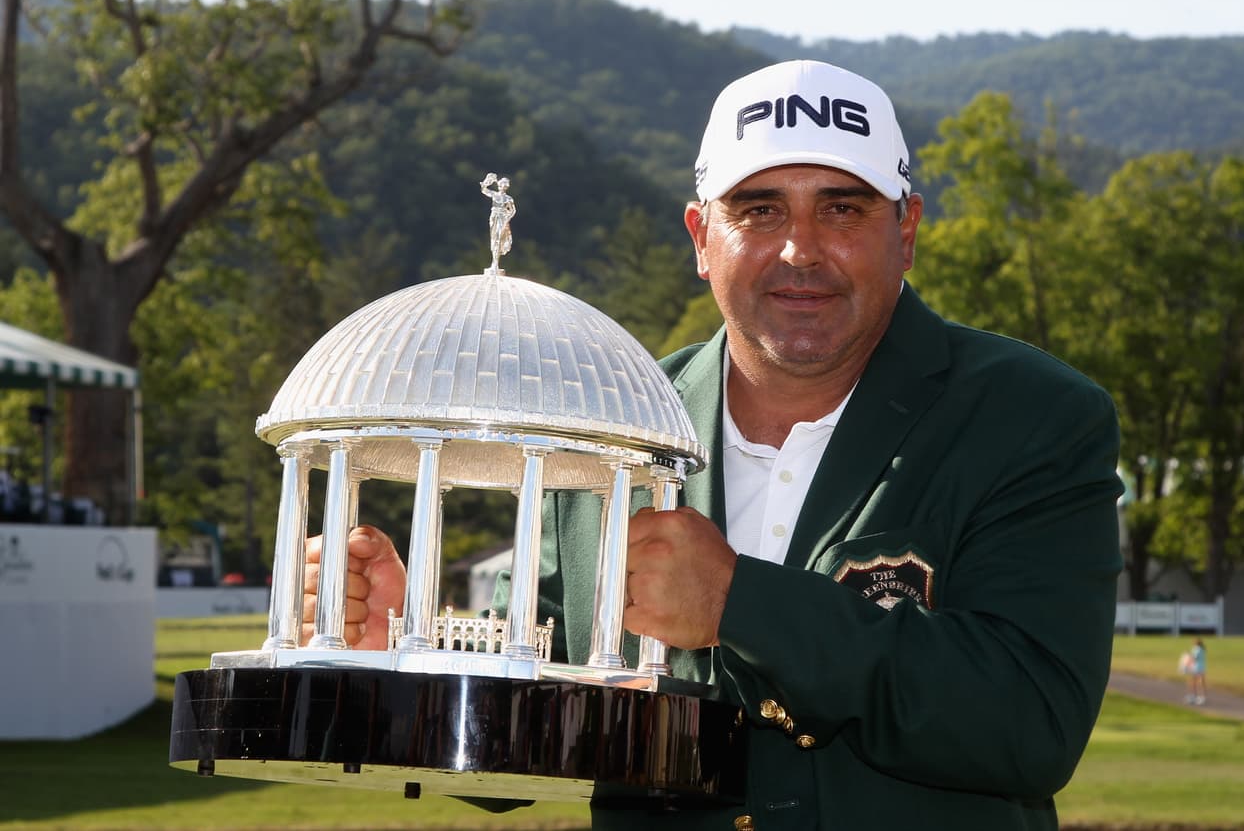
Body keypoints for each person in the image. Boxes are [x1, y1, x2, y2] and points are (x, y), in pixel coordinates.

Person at [304, 60, 1123, 830]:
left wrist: (740, 603)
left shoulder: (1032, 417)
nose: (800, 248)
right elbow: (532, 723)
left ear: (904, 230)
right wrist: (403, 657)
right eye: (759, 209)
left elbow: (1031, 722)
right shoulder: (605, 422)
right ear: (702, 236)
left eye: (842, 208)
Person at [1184, 637, 1208, 705]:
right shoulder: (1202, 649)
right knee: (1200, 682)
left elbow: (1193, 658)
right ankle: (1201, 696)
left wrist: (1187, 664)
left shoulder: (1196, 649)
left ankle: (1195, 696)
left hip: (1196, 668)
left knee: (1194, 682)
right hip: (1202, 667)